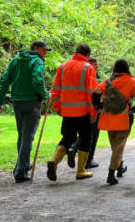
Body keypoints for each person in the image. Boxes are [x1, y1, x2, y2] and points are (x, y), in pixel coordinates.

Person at [0, 40, 51, 183]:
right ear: (35, 48)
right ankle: (20, 171)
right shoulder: (37, 62)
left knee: (22, 136)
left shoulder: (15, 61)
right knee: (27, 138)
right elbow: (37, 81)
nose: (45, 53)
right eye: (43, 50)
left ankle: (23, 164)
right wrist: (46, 94)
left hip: (17, 104)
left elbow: (5, 80)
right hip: (32, 104)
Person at [46, 43, 98, 181]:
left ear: (76, 52)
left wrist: (57, 107)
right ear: (87, 55)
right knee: (86, 138)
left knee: (67, 138)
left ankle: (54, 161)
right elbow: (91, 93)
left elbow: (55, 90)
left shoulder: (62, 67)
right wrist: (93, 113)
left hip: (67, 111)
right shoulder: (88, 68)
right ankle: (81, 171)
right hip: (83, 112)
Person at [93, 59, 135, 185]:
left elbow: (95, 94)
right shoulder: (131, 81)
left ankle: (120, 168)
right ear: (127, 68)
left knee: (115, 146)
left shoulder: (107, 81)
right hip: (124, 119)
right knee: (119, 146)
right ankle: (111, 173)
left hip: (109, 118)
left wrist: (99, 106)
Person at [68, 56, 101, 169]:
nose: (96, 67)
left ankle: (73, 148)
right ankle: (87, 161)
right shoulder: (88, 74)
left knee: (85, 135)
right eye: (94, 64)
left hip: (76, 110)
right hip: (88, 110)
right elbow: (90, 95)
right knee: (90, 136)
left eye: (97, 65)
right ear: (89, 63)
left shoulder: (89, 75)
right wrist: (93, 112)